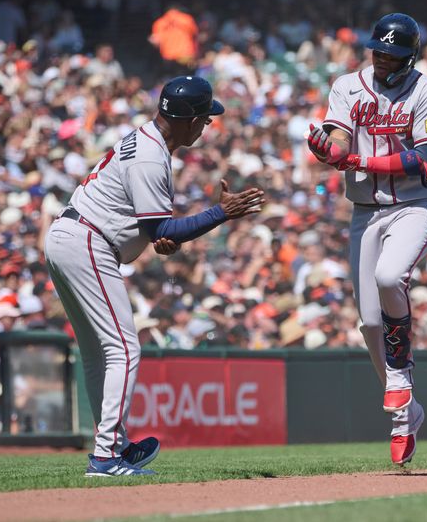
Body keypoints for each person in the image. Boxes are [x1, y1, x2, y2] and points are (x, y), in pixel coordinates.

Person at [44, 76, 265, 477]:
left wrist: (163, 239)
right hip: (87, 242)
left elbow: (156, 232)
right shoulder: (150, 155)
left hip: (71, 236)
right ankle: (108, 454)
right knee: (125, 349)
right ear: (189, 119)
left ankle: (115, 445)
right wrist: (221, 213)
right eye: (204, 118)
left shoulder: (146, 140)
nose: (206, 125)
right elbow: (162, 231)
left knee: (99, 353)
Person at [308, 13, 427, 467]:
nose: (382, 58)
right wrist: (328, 150)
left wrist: (355, 160)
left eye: (391, 53)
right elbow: (338, 135)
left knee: (391, 277)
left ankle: (401, 381)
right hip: (365, 212)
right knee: (370, 324)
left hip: (416, 205)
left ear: (410, 57)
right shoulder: (347, 85)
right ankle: (407, 413)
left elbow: (426, 158)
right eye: (378, 50)